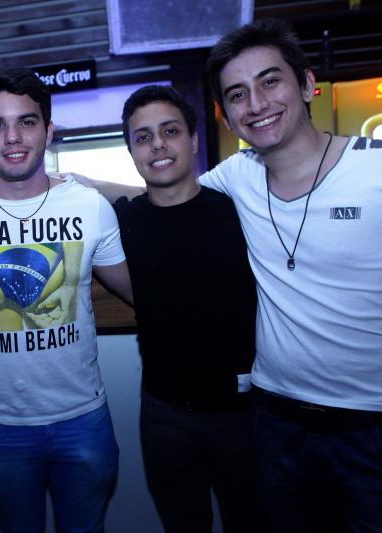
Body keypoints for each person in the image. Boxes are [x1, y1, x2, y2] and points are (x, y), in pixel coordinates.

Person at [200, 19, 382, 532]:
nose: (256, 103)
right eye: (237, 94)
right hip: (276, 423)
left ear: (307, 85)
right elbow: (162, 195)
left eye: (270, 81)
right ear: (226, 114)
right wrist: (64, 184)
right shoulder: (235, 176)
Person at [0, 68, 133, 533]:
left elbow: (139, 291)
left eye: (26, 121)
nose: (12, 137)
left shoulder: (89, 207)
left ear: (48, 129)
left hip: (82, 417)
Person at [115, 84, 264, 532]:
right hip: (164, 413)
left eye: (170, 131)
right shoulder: (122, 222)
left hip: (246, 412)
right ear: (131, 152)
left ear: (194, 140)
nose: (158, 145)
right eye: (143, 137)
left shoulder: (240, 212)